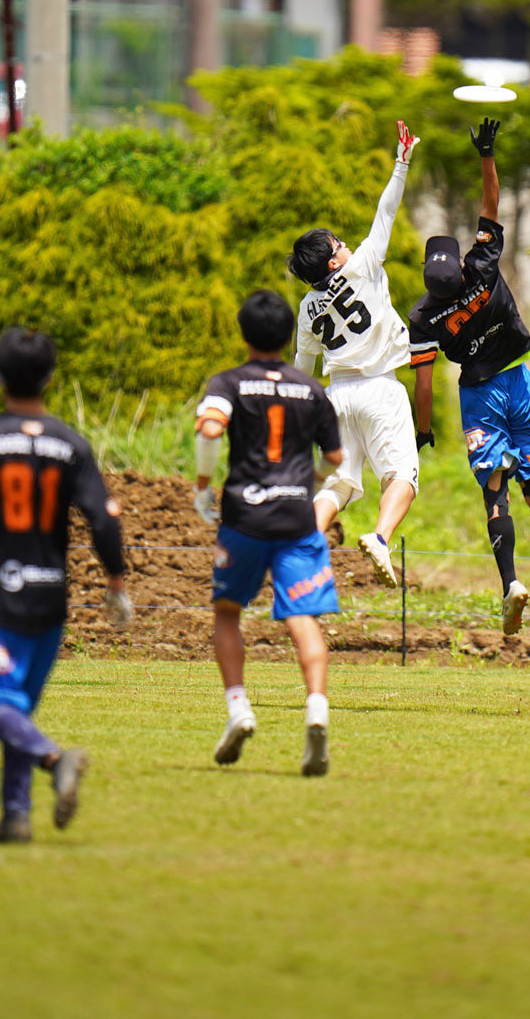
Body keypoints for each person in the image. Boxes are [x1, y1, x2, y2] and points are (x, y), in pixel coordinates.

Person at [0, 327, 132, 843]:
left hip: (1, 595)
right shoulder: (71, 443)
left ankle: (55, 760)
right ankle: (15, 817)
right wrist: (115, 580)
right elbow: (103, 518)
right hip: (50, 596)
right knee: (15, 706)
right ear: (51, 379)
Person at [407, 119, 530, 637]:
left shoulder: (422, 318)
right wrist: (486, 154)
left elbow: (424, 384)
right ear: (456, 263)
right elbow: (491, 205)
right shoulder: (481, 266)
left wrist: (424, 430)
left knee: (495, 490)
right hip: (519, 382)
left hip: (480, 396)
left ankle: (511, 585)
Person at [193, 290, 344, 776]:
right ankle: (316, 711)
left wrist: (203, 485)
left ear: (244, 333)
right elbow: (335, 458)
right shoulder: (310, 389)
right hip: (297, 518)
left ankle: (239, 708)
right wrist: (313, 480)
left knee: (227, 611)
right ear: (286, 334)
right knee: (303, 617)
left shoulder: (229, 382)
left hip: (244, 518)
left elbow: (210, 430)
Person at [288, 121, 422, 587]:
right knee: (402, 476)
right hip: (380, 388)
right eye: (338, 245)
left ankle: (307, 542)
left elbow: (302, 371)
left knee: (338, 484)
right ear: (333, 262)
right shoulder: (362, 265)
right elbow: (386, 212)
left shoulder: (307, 307)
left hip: (336, 396)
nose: (346, 244)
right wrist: (401, 163)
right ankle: (381, 538)